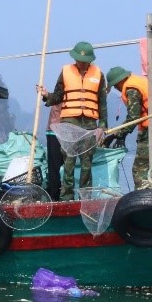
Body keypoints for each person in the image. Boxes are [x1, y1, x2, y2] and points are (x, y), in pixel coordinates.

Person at [40, 41, 107, 200]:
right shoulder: (65, 72)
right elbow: (58, 96)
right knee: (69, 161)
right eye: (79, 60)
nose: (82, 63)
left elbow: (102, 102)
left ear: (91, 60)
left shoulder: (99, 75)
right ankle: (66, 197)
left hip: (90, 123)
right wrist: (47, 95)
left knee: (86, 163)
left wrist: (102, 126)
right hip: (70, 121)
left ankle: (85, 197)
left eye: (85, 61)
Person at [106, 66, 152, 184]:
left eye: (116, 86)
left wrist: (118, 133)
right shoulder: (138, 80)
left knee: (140, 167)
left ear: (120, 81)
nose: (117, 89)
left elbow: (133, 117)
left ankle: (143, 197)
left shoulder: (131, 89)